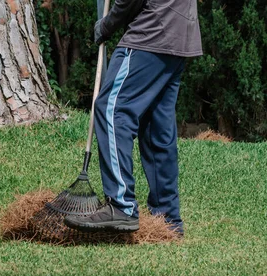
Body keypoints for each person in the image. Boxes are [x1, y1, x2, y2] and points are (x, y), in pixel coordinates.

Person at [64, 0, 202, 235]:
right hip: (180, 33)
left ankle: (121, 206)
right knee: (157, 128)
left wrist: (107, 25)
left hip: (151, 33)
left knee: (111, 109)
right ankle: (167, 220)